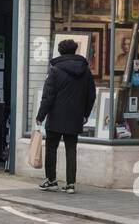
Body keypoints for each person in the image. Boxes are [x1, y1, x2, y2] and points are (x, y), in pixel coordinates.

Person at [35, 38, 96, 194]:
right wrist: (85, 114)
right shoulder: (85, 70)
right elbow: (91, 95)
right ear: (75, 50)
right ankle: (70, 184)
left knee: (51, 148)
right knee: (71, 149)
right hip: (75, 116)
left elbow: (48, 96)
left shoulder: (55, 71)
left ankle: (51, 180)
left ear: (60, 51)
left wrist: (40, 115)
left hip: (56, 116)